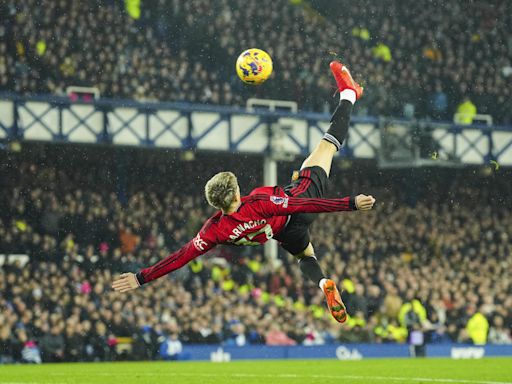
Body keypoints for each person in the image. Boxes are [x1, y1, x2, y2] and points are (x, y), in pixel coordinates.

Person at [112, 60, 376, 323]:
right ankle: (348, 94)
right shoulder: (259, 201)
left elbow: (180, 257)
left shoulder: (214, 230)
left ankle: (322, 282)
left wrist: (140, 277)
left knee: (306, 256)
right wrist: (350, 203)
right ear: (237, 194)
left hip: (284, 234)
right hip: (298, 203)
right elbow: (302, 206)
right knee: (326, 146)